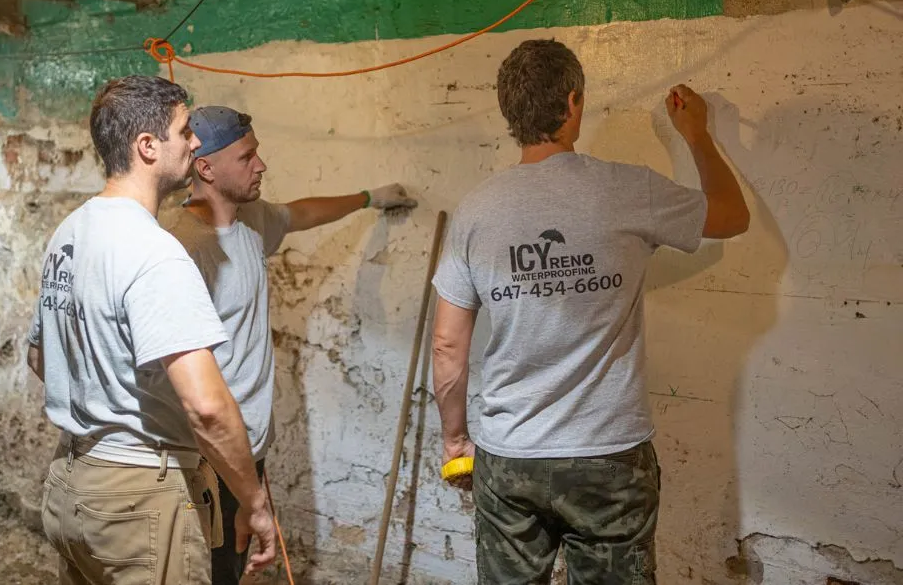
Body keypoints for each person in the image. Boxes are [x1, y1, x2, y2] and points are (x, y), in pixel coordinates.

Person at [430, 40, 750, 585]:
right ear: (573, 103)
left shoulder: (476, 212)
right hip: (608, 458)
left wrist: (456, 439)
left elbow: (447, 346)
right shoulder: (628, 190)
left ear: (510, 114)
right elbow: (732, 216)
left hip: (510, 455)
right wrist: (697, 137)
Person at [26, 76, 276, 585]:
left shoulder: (70, 232)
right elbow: (206, 406)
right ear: (147, 146)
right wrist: (254, 501)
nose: (194, 142)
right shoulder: (157, 251)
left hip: (72, 482)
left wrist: (105, 402)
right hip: (139, 493)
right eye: (184, 131)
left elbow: (41, 358)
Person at [161, 105, 417, 584]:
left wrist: (368, 198)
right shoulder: (182, 246)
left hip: (247, 439)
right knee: (206, 566)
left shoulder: (252, 220)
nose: (261, 165)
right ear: (206, 168)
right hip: (206, 446)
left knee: (232, 562)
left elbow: (301, 213)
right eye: (247, 156)